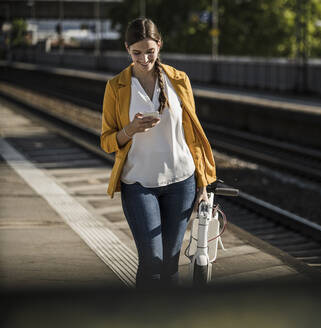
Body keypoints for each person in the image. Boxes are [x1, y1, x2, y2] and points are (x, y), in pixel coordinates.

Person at [100, 17, 216, 288]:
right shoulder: (116, 87)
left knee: (170, 264)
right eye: (137, 52)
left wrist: (202, 185)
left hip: (182, 183)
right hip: (139, 185)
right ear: (127, 49)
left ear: (160, 46)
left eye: (150, 51)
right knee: (152, 261)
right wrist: (130, 129)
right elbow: (106, 141)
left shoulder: (179, 80)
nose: (144, 58)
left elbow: (193, 138)